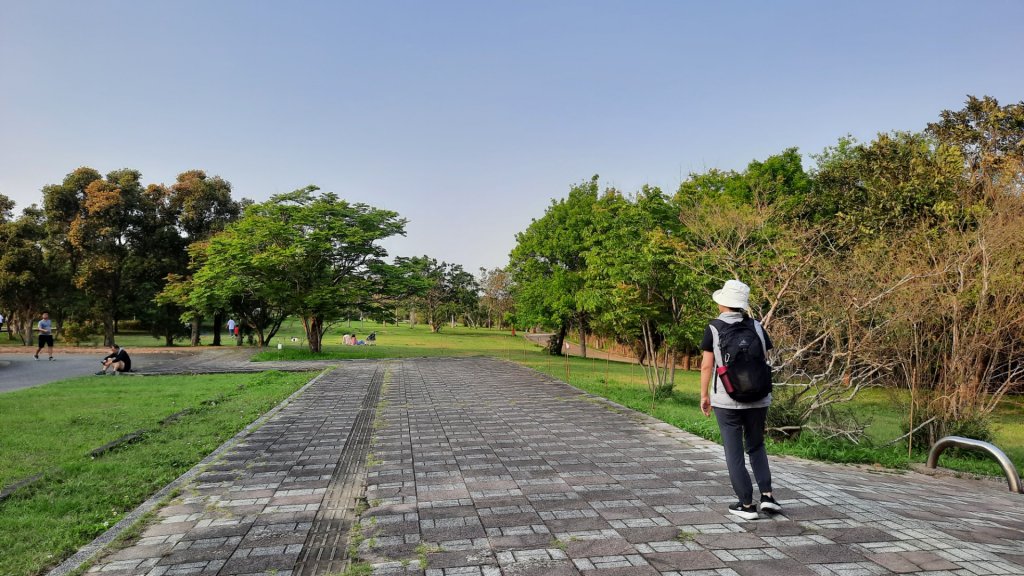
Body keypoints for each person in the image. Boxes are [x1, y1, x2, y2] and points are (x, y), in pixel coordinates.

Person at [699, 279, 782, 520]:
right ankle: (767, 496)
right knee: (756, 445)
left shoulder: (713, 328)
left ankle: (746, 505)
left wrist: (704, 395)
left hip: (727, 400)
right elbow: (763, 358)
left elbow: (707, 366)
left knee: (733, 452)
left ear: (723, 303)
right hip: (758, 397)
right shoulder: (756, 325)